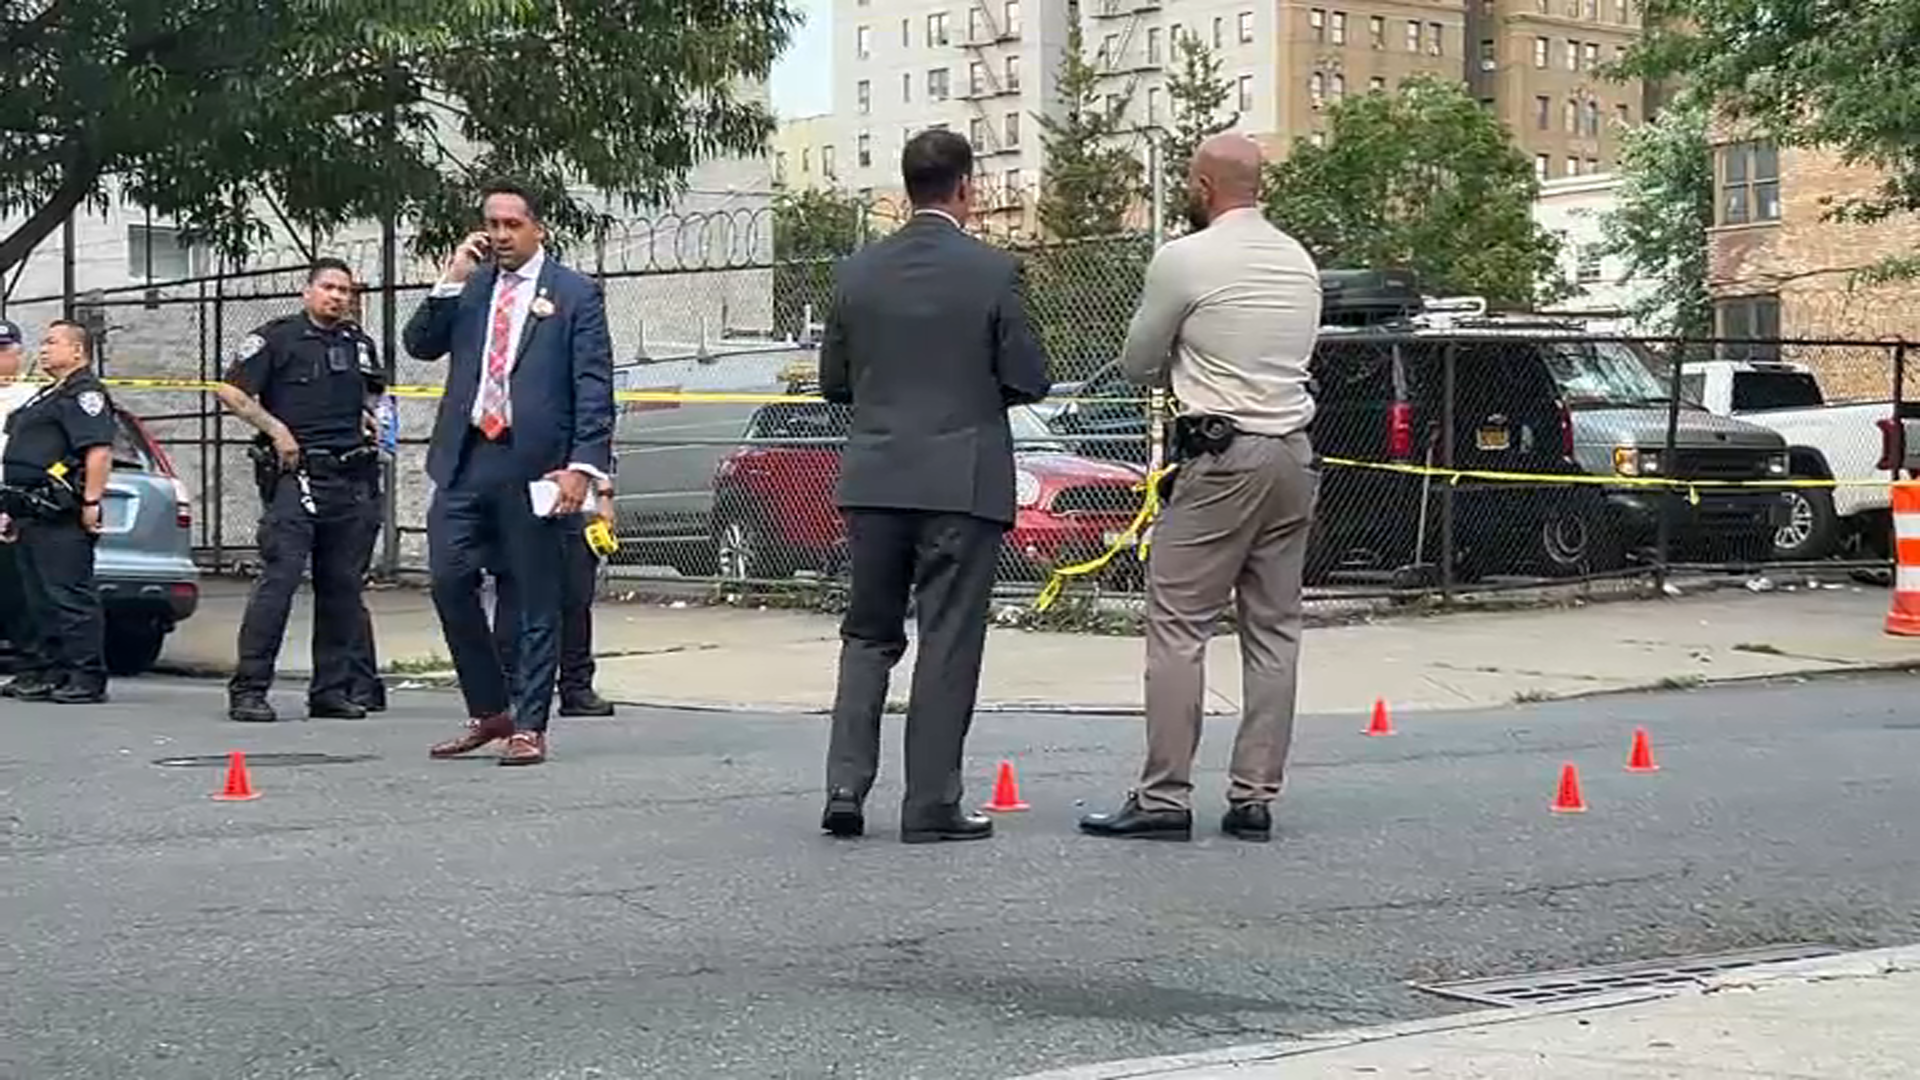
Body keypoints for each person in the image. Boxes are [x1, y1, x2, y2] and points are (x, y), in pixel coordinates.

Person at [1079, 134, 1323, 844]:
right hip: (1292, 455)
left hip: (1222, 457)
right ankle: (1254, 796)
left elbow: (1137, 361)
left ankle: (1164, 797)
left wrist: (1184, 364)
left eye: (1191, 180)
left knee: (1180, 625)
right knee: (1274, 628)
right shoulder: (1298, 261)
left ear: (1206, 186)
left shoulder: (1185, 259)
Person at [816, 129, 1051, 843]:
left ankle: (845, 788)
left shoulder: (856, 272)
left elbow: (833, 383)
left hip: (876, 475)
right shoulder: (993, 271)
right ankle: (930, 804)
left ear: (906, 186)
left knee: (867, 634)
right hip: (961, 479)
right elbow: (1030, 375)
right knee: (948, 639)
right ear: (965, 189)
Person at [404, 180, 614, 767]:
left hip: (536, 465)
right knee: (449, 579)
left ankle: (528, 724)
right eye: (491, 224)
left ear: (537, 228)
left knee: (533, 595)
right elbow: (419, 344)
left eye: (511, 224)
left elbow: (594, 386)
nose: (499, 235)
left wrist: (583, 468)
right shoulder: (471, 291)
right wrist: (449, 278)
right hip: (467, 459)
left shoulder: (574, 295)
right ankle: (489, 708)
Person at [216, 258, 388, 723]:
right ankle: (249, 689)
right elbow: (231, 392)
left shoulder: (358, 343)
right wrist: (276, 430)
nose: (337, 297)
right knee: (280, 582)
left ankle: (329, 691)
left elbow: (375, 394)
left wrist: (370, 418)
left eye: (344, 290)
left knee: (342, 589)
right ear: (307, 291)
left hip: (350, 479)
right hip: (297, 476)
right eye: (329, 287)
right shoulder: (276, 337)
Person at [0, 320, 115, 703]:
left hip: (61, 512)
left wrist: (91, 502)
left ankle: (85, 675)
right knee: (39, 598)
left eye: (52, 342)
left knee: (69, 595)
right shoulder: (49, 394)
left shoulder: (85, 394)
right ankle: (49, 671)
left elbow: (98, 450)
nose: (43, 349)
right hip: (29, 509)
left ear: (78, 351)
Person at [490, 468, 617, 718]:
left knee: (575, 599)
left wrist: (605, 496)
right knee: (514, 595)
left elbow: (596, 451)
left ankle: (576, 687)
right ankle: (512, 688)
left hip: (571, 503)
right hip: (516, 499)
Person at [0, 319, 40, 691]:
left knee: (17, 590)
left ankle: (31, 663)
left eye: (4, 351)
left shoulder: (32, 396)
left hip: (12, 497)